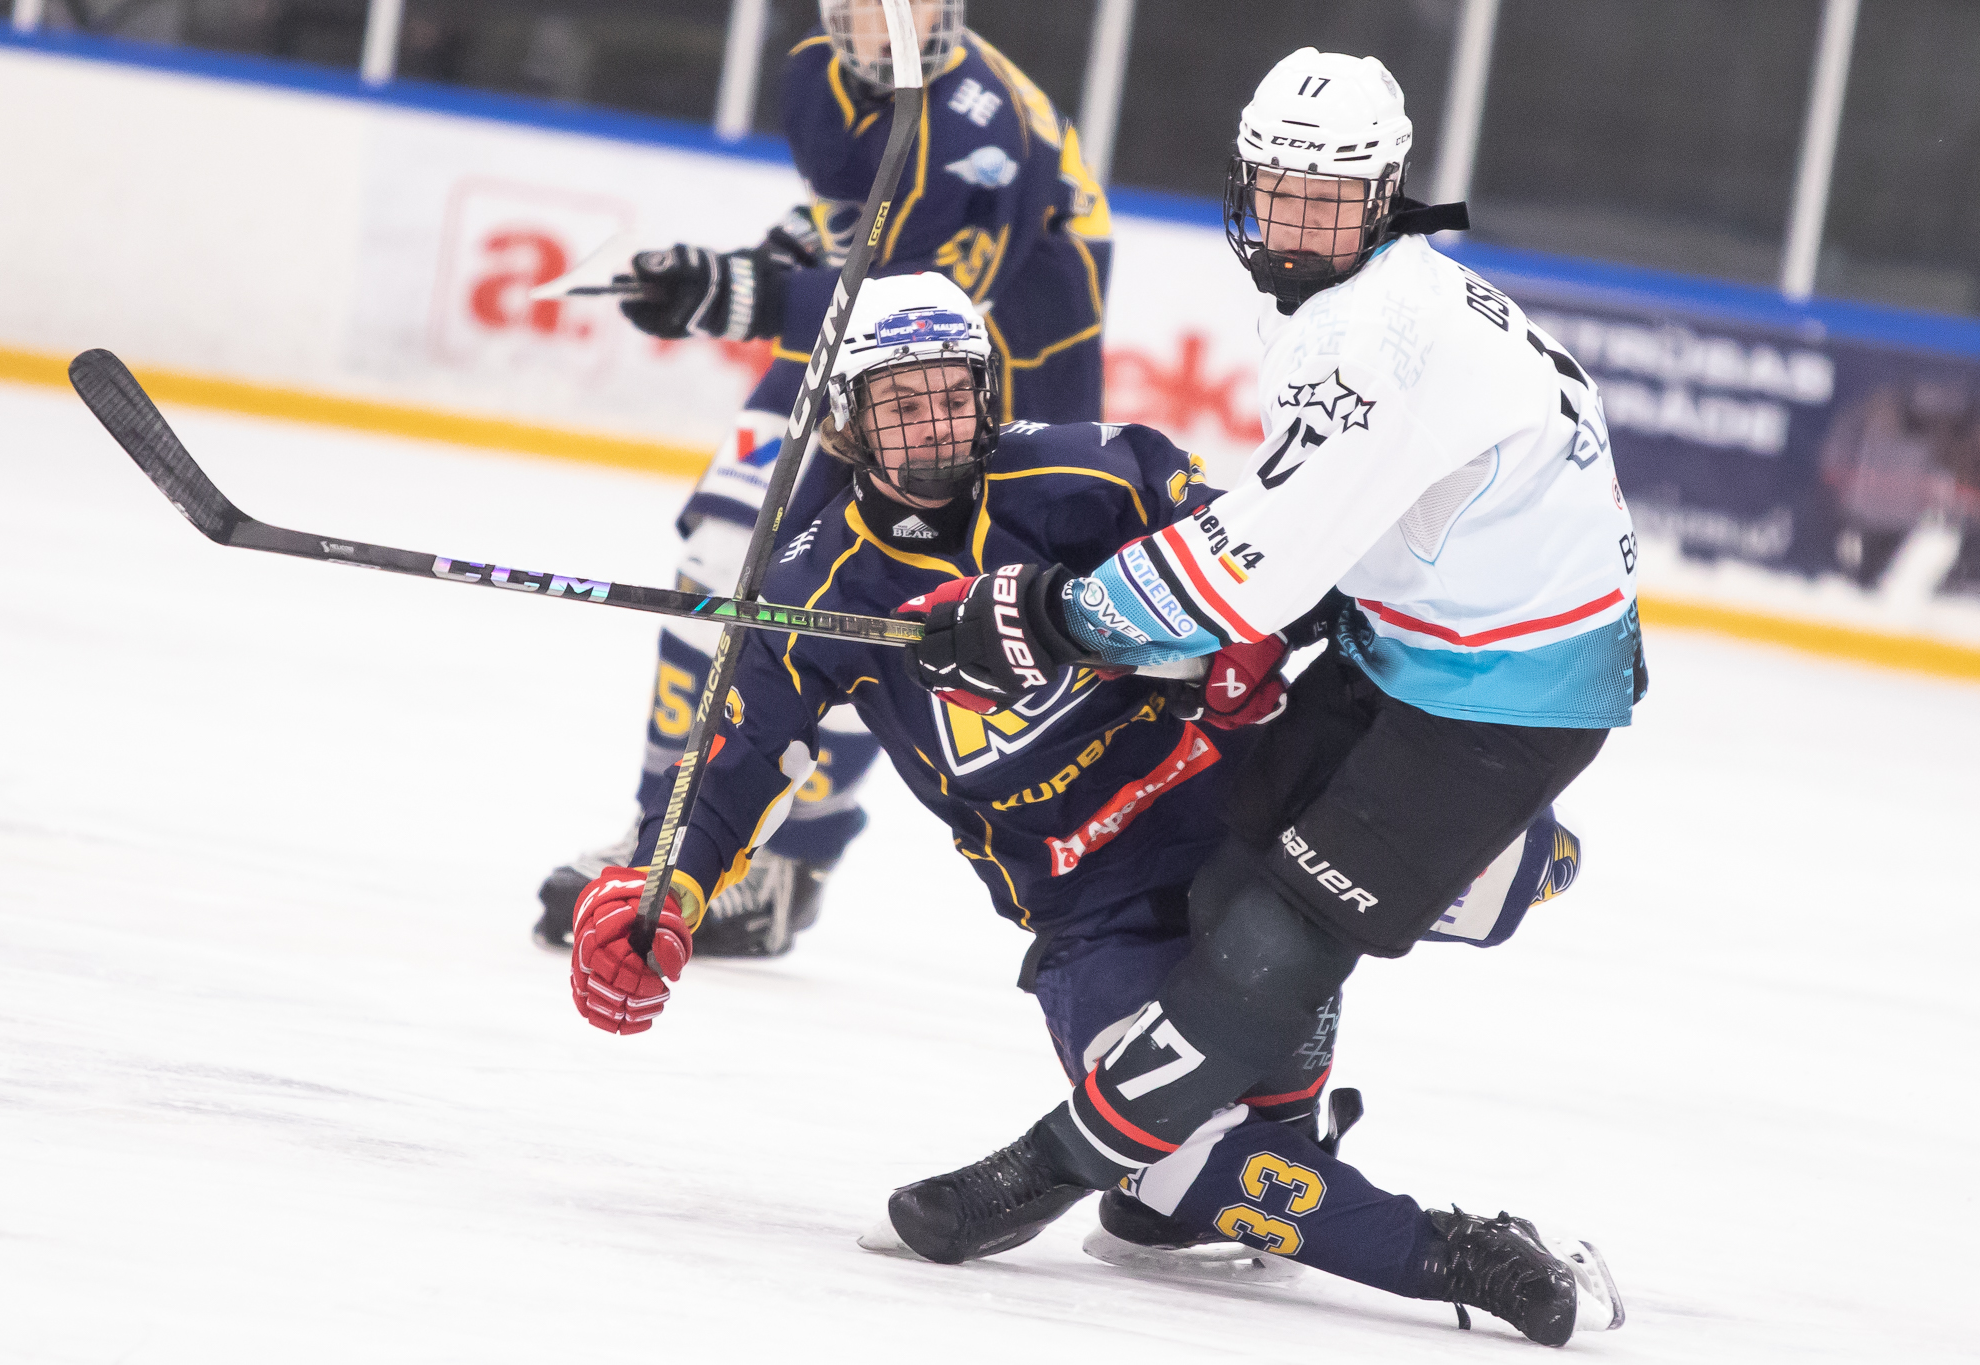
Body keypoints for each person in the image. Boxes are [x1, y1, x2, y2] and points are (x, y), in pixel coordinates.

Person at [566, 274, 1617, 1347]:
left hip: (1239, 810)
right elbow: (734, 769)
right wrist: (664, 891)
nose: (932, 426)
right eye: (898, 404)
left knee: (1492, 867)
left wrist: (1239, 646)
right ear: (846, 419)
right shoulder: (817, 584)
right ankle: (1446, 1247)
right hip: (1088, 908)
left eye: (949, 395)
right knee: (1170, 1168)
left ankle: (1284, 1102)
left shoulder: (1091, 471)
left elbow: (1263, 569)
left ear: (987, 391)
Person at [884, 49, 1642, 1345]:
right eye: (1280, 193)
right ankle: (1260, 1154)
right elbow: (1328, 527)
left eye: (1329, 199)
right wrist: (1294, 604)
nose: (1297, 223)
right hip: (1422, 635)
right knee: (1238, 871)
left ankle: (1051, 1167)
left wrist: (1059, 616)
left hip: (1501, 697)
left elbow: (1252, 560)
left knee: (1268, 944)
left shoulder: (1365, 341)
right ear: (1248, 183)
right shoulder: (1361, 293)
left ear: (1385, 194)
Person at [533, 0, 1113, 957]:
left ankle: (786, 864)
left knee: (865, 604)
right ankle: (663, 843)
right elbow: (851, 219)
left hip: (981, 378)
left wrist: (740, 292)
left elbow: (925, 301)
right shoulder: (814, 69)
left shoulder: (984, 126)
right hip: (852, 355)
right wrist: (750, 265)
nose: (879, 15)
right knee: (720, 549)